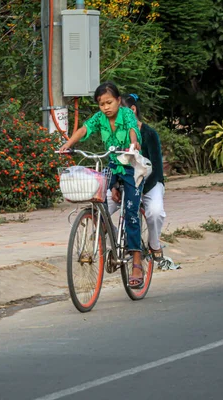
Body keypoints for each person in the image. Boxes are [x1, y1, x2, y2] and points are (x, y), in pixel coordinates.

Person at [59, 82, 145, 288]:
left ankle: (136, 262)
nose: (106, 107)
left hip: (131, 166)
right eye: (101, 104)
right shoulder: (100, 119)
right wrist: (67, 145)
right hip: (113, 166)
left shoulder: (126, 114)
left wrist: (133, 145)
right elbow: (83, 130)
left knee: (131, 212)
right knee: (98, 200)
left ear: (117, 100)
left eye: (109, 102)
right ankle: (110, 235)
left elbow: (133, 131)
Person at [108, 94, 166, 262]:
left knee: (155, 212)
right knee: (100, 208)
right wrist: (113, 186)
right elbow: (113, 162)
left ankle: (154, 244)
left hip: (149, 182)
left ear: (133, 110)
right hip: (123, 182)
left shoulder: (150, 134)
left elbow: (156, 169)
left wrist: (139, 189)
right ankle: (118, 240)